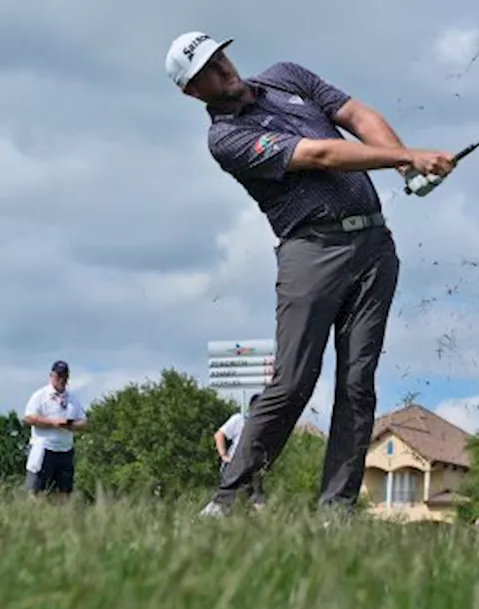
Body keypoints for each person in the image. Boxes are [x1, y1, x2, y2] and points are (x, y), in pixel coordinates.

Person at [163, 31, 456, 517]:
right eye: (207, 72)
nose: (223, 70)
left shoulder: (285, 76)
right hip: (311, 250)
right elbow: (321, 154)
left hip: (374, 246)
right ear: (192, 92)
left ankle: (335, 512)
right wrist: (408, 157)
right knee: (294, 379)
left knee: (358, 382)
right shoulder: (226, 139)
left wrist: (405, 166)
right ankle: (229, 500)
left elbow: (357, 116)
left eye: (220, 57)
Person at [23, 361, 88, 499]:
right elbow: (29, 418)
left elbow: (83, 422)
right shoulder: (40, 395)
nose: (62, 380)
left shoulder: (73, 398)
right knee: (36, 491)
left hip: (65, 451)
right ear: (51, 376)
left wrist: (70, 426)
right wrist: (53, 423)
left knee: (63, 494)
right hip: (43, 449)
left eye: (65, 376)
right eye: (58, 376)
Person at [214, 394, 265, 508]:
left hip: (252, 469)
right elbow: (219, 435)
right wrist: (224, 455)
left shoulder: (263, 426)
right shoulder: (240, 419)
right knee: (226, 501)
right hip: (234, 467)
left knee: (258, 503)